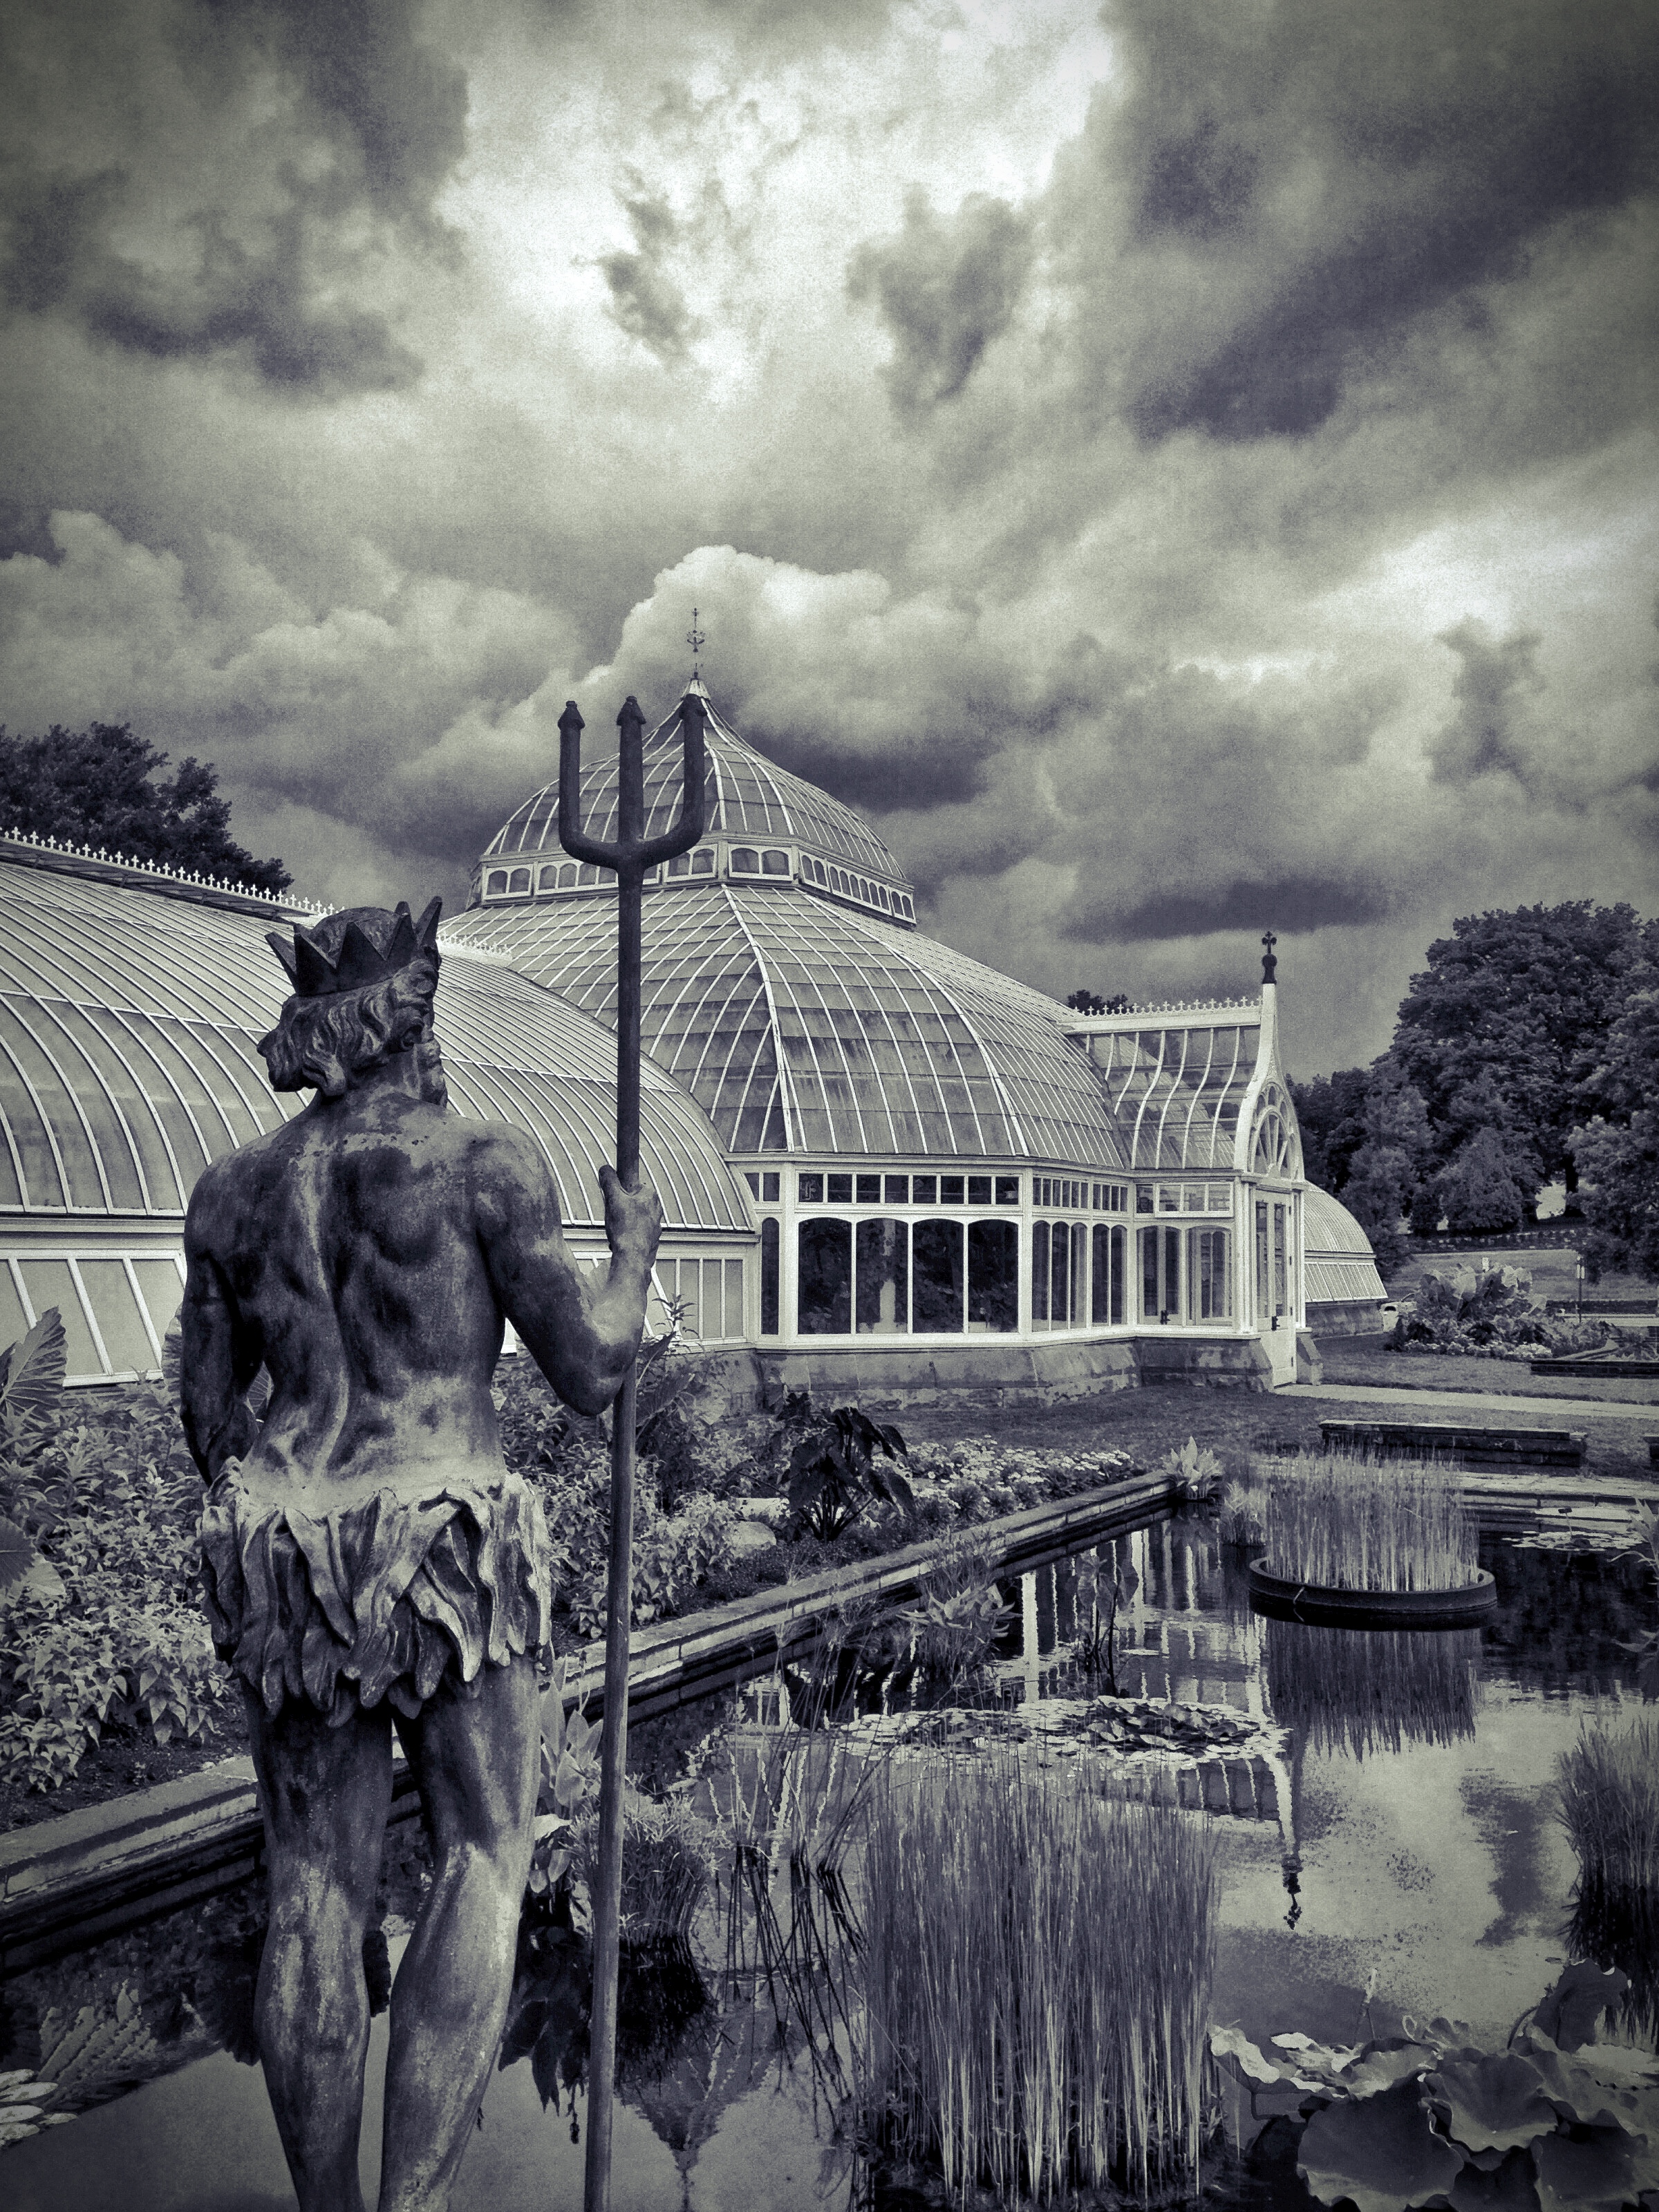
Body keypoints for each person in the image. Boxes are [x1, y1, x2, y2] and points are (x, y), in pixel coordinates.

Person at [180, 899, 660, 2212]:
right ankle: (417, 2207)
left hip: (293, 1547)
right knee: (482, 1858)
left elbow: (206, 1421)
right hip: (447, 1535)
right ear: (414, 1014)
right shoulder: (483, 1165)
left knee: (315, 1891)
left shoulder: (230, 1194)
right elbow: (589, 1367)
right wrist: (634, 1255)